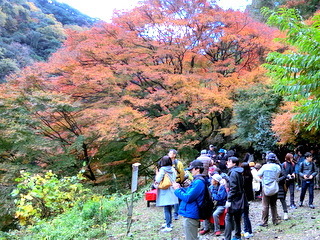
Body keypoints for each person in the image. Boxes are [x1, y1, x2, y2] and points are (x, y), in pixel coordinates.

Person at [173, 160, 206, 240]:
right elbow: (189, 193)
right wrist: (180, 189)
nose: (191, 171)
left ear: (198, 169)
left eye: (192, 169)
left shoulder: (198, 182)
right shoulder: (196, 180)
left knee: (191, 238)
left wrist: (177, 190)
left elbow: (188, 198)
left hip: (191, 214)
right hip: (190, 213)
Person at [224, 157, 247, 240]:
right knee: (237, 217)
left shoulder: (233, 173)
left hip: (234, 199)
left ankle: (227, 238)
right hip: (240, 198)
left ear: (234, 163)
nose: (227, 163)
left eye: (229, 161)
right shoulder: (239, 172)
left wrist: (229, 200)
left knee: (228, 217)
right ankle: (237, 236)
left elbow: (233, 188)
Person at [155, 156, 179, 232]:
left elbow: (158, 179)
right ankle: (169, 223)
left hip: (165, 190)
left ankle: (168, 226)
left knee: (166, 208)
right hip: (172, 189)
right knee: (169, 208)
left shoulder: (162, 169)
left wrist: (157, 174)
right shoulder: (172, 169)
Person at [257, 152, 281, 227]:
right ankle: (275, 220)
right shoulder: (278, 167)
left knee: (265, 205)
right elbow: (278, 175)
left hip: (266, 187)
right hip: (274, 186)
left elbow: (259, 174)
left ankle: (264, 222)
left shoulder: (264, 167)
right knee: (273, 204)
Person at [168, 149, 184, 220]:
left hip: (176, 182)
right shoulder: (167, 162)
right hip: (168, 183)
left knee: (176, 199)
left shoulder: (178, 163)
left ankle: (176, 213)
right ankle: (168, 215)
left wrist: (180, 181)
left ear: (174, 155)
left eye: (170, 153)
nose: (169, 154)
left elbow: (182, 173)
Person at [241, 162, 253, 239]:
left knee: (244, 215)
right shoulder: (249, 176)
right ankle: (249, 230)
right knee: (245, 214)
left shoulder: (245, 178)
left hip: (244, 197)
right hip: (248, 197)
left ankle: (246, 230)